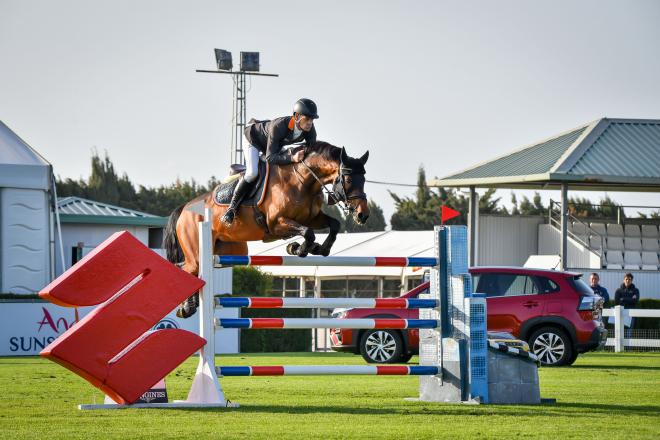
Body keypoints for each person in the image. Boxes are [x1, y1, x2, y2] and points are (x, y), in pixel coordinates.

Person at [221, 98, 319, 225]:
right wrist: (292, 158)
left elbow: (312, 150)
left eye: (312, 119)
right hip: (253, 139)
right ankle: (231, 209)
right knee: (253, 172)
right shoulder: (279, 126)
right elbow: (270, 158)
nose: (310, 122)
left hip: (273, 144)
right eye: (308, 118)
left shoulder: (309, 129)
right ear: (297, 116)